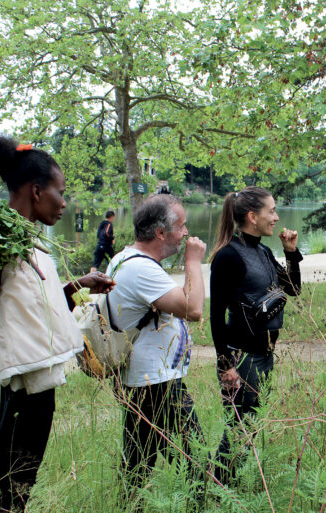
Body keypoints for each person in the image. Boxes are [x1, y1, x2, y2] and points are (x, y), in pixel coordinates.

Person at [0, 135, 114, 512]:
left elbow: (24, 312)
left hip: (35, 397)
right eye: (60, 192)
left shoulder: (30, 245)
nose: (64, 203)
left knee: (15, 498)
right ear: (35, 190)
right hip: (8, 397)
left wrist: (77, 286)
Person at [105, 194, 207, 497]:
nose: (186, 233)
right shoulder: (141, 269)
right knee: (197, 460)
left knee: (137, 465)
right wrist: (193, 262)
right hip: (156, 383)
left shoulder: (125, 259)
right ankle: (199, 504)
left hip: (142, 381)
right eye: (182, 226)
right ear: (161, 233)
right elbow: (193, 308)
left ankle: (128, 504)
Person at [209, 186, 301, 484]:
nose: (276, 217)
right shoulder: (228, 257)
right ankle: (221, 486)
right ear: (252, 216)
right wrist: (226, 365)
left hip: (264, 355)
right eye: (271, 211)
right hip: (243, 357)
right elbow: (216, 316)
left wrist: (290, 253)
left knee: (250, 424)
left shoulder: (261, 250)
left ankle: (231, 485)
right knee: (238, 426)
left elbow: (293, 289)